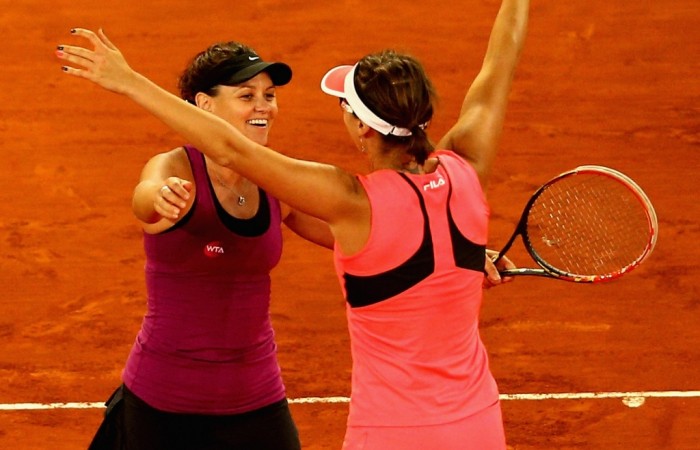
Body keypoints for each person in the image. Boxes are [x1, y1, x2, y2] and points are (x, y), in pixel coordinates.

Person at [57, 0, 528, 447]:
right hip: (478, 423)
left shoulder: (350, 201)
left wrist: (128, 81)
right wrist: (457, 258)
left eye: (345, 106)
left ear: (363, 127)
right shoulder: (466, 171)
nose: (264, 105)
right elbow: (497, 70)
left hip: (389, 432)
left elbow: (233, 150)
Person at [80, 41, 336, 450]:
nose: (264, 107)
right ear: (205, 104)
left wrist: (460, 251)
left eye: (269, 96)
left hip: (257, 400)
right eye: (247, 96)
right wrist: (159, 196)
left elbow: (356, 233)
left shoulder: (276, 180)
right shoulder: (174, 168)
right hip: (163, 405)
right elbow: (144, 200)